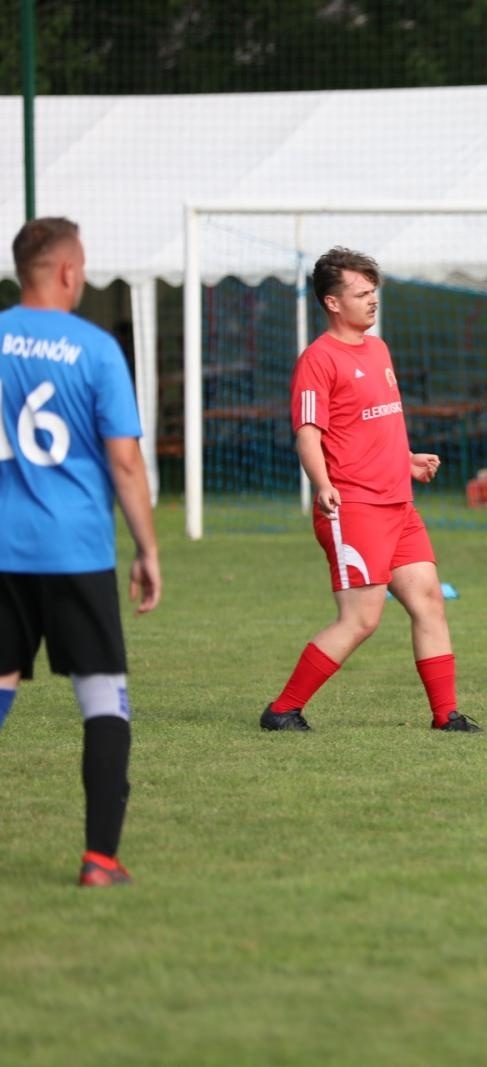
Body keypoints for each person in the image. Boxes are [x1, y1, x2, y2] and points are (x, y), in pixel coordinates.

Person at [1, 217, 161, 886]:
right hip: (75, 550)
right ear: (67, 271)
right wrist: (148, 547)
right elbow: (125, 462)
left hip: (4, 550)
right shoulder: (95, 349)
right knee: (102, 698)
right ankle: (100, 857)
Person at [259, 247, 480, 733]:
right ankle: (282, 710)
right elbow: (309, 434)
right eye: (361, 293)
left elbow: (364, 428)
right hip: (353, 506)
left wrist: (406, 460)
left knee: (428, 601)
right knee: (362, 620)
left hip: (398, 504)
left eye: (374, 291)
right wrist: (322, 485)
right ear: (333, 303)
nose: (372, 300)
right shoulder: (318, 360)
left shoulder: (378, 350)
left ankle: (447, 716)